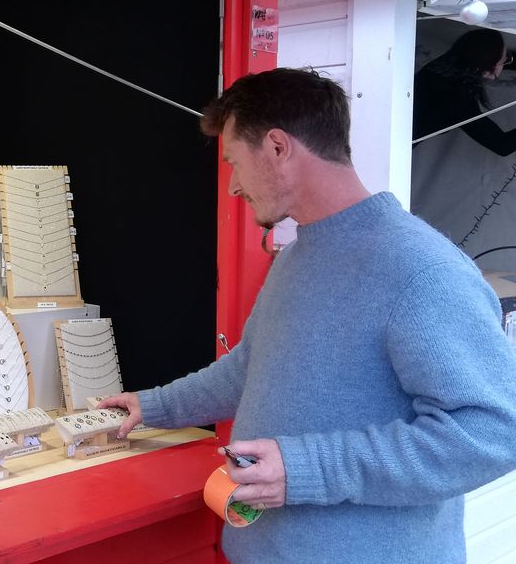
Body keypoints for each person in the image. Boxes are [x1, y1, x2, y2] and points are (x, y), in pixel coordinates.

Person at [101, 67, 516, 563]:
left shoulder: (421, 271)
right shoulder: (298, 256)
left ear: (278, 147)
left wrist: (306, 468)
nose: (233, 185)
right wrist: (153, 407)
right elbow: (250, 367)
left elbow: (492, 432)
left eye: (234, 161)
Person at [413, 28, 515, 155]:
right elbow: (502, 145)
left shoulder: (450, 61)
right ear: (487, 71)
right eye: (504, 61)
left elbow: (490, 58)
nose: (506, 63)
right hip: (388, 147)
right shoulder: (456, 97)